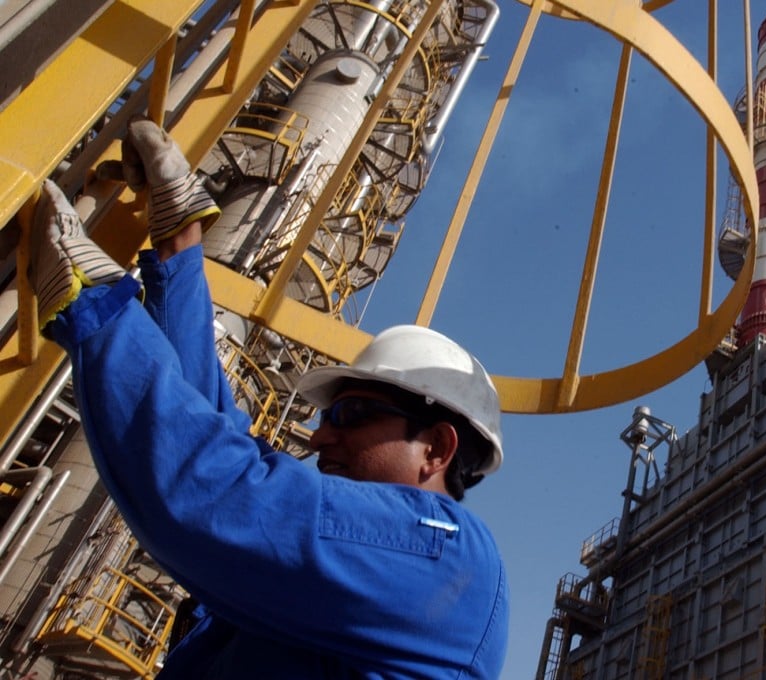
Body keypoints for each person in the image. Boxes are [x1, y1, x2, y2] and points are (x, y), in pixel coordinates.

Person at [27, 118, 508, 678]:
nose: (318, 433)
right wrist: (181, 254)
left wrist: (96, 303)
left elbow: (209, 495)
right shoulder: (353, 580)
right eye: (329, 415)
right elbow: (223, 451)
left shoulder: (446, 557)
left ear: (437, 449)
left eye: (351, 416)